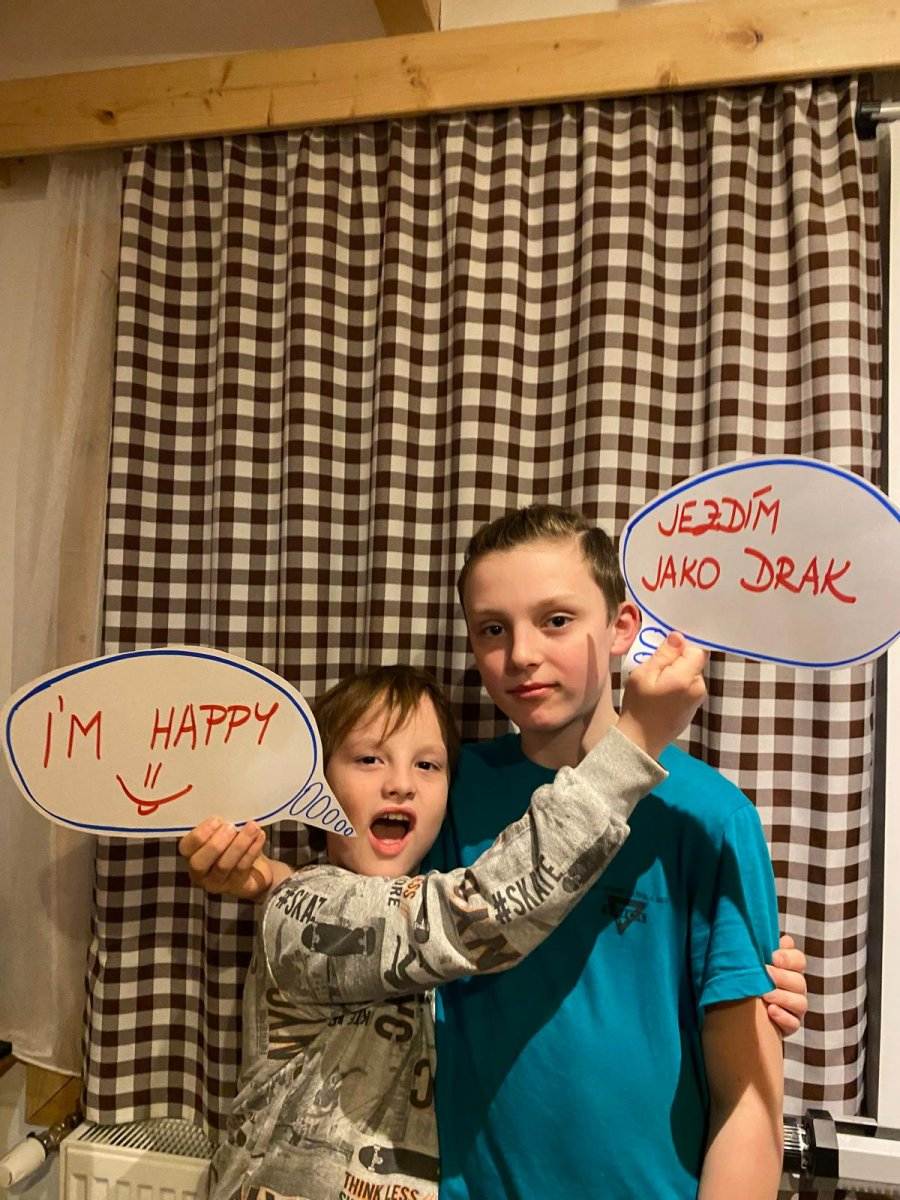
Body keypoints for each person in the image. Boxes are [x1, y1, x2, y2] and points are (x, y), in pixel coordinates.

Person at [180, 643, 708, 1200]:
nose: (400, 784)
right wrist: (634, 742)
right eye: (369, 759)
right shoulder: (299, 907)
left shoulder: (390, 884)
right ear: (317, 786)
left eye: (427, 765)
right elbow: (476, 915)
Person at [425, 503, 793, 1200]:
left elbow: (749, 1098)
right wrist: (266, 880)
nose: (521, 654)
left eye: (556, 620)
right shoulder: (448, 791)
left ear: (622, 627)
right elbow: (371, 931)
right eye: (492, 629)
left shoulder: (709, 816)